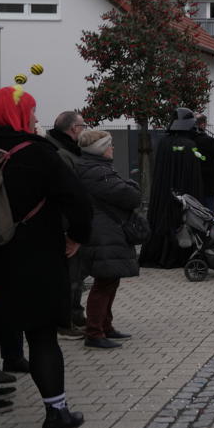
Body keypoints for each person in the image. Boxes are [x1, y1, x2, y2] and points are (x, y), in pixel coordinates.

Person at [0, 86, 92, 428]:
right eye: (32, 111)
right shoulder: (39, 153)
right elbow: (78, 200)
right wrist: (76, 237)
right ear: (16, 115)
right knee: (42, 336)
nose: (36, 118)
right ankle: (56, 413)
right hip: (36, 257)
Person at [74, 130, 140, 349]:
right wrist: (132, 185)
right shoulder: (97, 172)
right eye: (109, 145)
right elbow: (130, 196)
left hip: (104, 231)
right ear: (100, 149)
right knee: (104, 283)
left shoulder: (92, 168)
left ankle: (105, 326)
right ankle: (94, 332)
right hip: (103, 233)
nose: (113, 148)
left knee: (110, 280)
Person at [140, 108, 204, 269]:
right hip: (183, 193)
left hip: (164, 192)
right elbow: (194, 175)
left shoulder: (163, 143)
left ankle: (158, 254)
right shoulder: (190, 145)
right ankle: (180, 255)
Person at [45, 110, 88, 337]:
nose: (84, 130)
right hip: (65, 226)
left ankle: (75, 313)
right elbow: (69, 195)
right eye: (83, 126)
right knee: (70, 275)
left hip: (70, 223)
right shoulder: (62, 154)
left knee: (77, 274)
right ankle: (66, 320)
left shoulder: (68, 150)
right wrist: (73, 230)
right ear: (73, 129)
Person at [193, 115, 214, 213]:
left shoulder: (189, 139)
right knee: (209, 207)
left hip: (194, 178)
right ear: (203, 124)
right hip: (209, 178)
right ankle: (208, 226)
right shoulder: (208, 140)